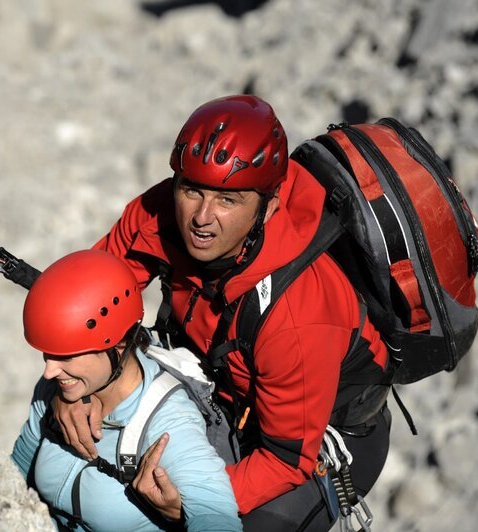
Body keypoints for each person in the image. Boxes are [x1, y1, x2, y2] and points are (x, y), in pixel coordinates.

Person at [52, 95, 392, 530]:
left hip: (315, 440)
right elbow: (88, 308)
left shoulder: (297, 311)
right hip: (221, 390)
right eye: (192, 190)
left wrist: (197, 497)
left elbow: (285, 458)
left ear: (268, 206)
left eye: (228, 200)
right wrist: (75, 391)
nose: (202, 217)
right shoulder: (157, 217)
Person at [11, 249, 243, 532]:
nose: (49, 371)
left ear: (118, 345)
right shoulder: (58, 388)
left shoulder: (171, 424)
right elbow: (14, 478)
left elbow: (218, 521)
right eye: (48, 354)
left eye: (66, 356)